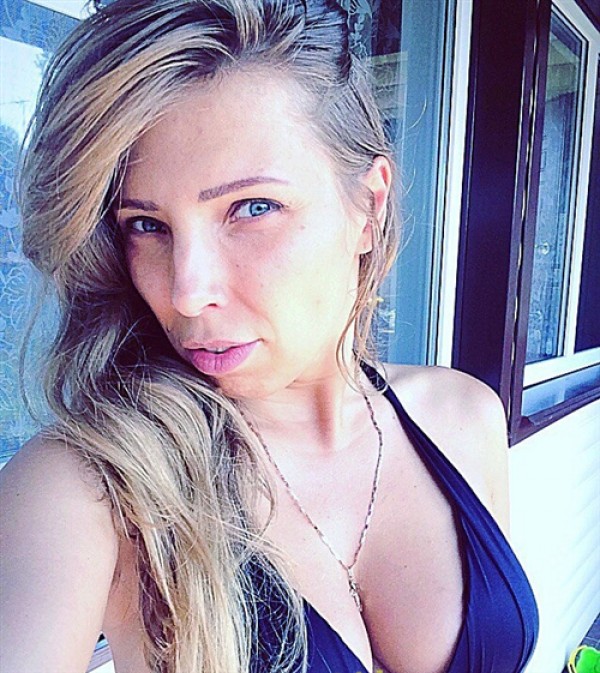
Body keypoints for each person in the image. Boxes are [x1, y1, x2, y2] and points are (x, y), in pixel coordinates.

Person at [0, 1, 538, 672]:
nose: (187, 290)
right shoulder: (93, 489)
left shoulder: (463, 415)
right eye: (146, 224)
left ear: (368, 206)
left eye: (252, 208)